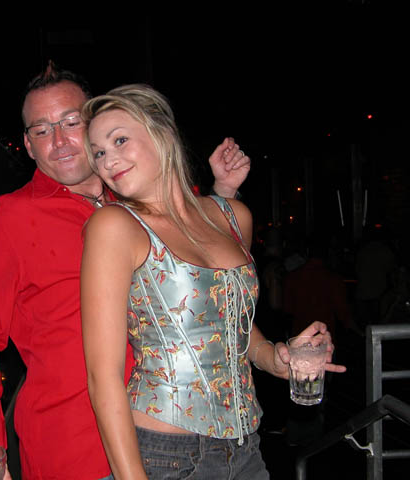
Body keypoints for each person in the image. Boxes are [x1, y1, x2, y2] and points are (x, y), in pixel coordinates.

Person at [0, 64, 251, 480]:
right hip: (77, 449)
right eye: (42, 130)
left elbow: (200, 282)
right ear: (28, 145)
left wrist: (223, 194)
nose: (59, 141)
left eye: (71, 122)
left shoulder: (141, 198)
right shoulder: (14, 217)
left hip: (173, 440)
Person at [80, 84, 345, 479]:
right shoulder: (114, 226)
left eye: (119, 140)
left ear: (163, 133)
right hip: (165, 453)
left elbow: (232, 327)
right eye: (99, 152)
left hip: (246, 448)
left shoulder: (233, 215)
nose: (108, 160)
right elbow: (102, 378)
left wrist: (275, 358)